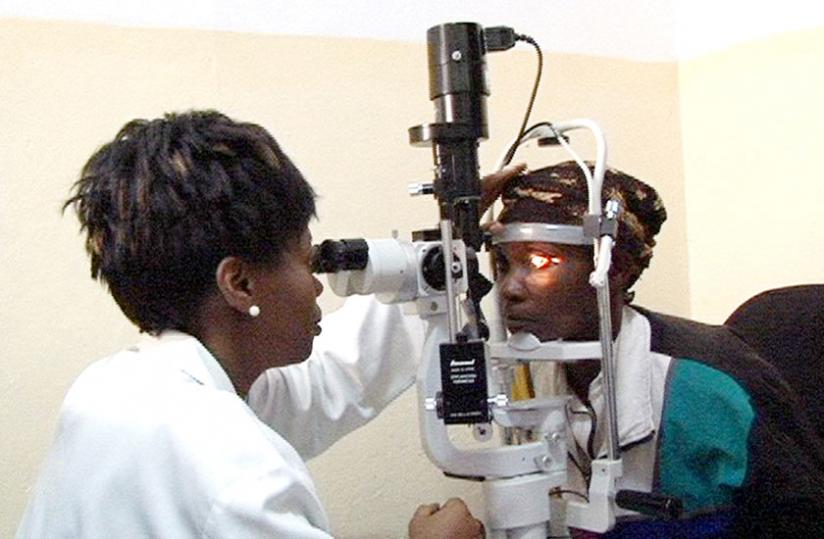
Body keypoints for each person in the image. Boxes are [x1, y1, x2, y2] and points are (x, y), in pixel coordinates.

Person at [16, 110, 493, 538]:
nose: (317, 287)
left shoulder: (114, 388)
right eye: (306, 261)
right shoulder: (234, 471)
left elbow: (328, 378)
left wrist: (445, 259)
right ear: (240, 284)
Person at [489, 161, 824, 536]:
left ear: (614, 268)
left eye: (539, 260)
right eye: (503, 263)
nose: (509, 288)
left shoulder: (712, 383)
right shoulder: (523, 378)